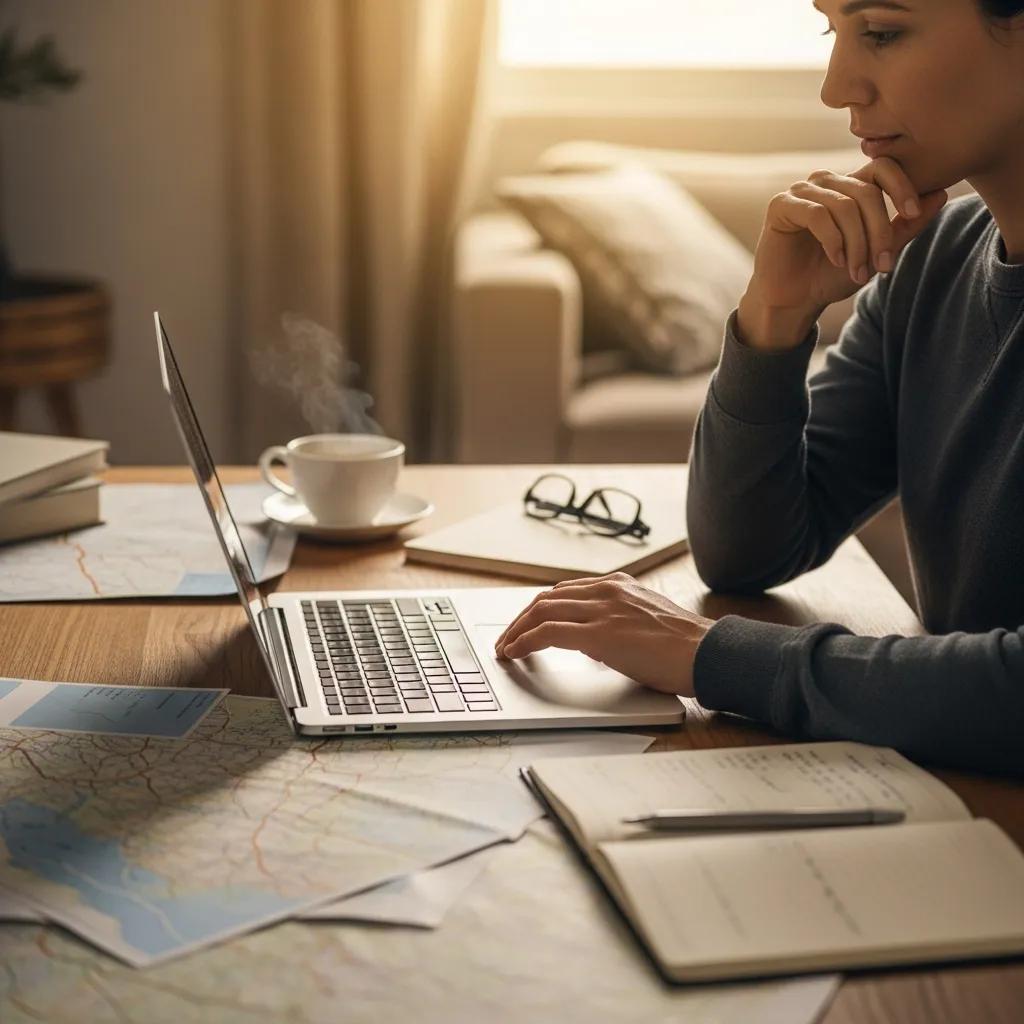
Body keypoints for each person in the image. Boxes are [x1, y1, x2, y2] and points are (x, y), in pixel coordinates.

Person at [494, 0, 1024, 776]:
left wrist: (714, 656)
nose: (837, 86)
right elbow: (747, 551)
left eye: (880, 31)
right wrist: (772, 319)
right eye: (831, 32)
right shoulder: (932, 263)